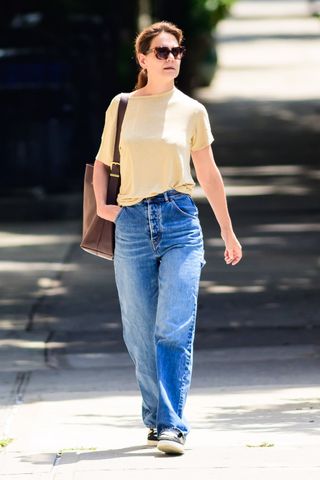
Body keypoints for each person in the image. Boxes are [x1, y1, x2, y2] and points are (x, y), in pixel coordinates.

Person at [93, 20, 242, 455]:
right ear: (143, 58)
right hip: (133, 224)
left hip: (179, 220)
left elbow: (208, 174)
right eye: (161, 51)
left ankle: (173, 425)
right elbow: (102, 162)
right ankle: (157, 418)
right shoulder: (121, 106)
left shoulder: (192, 110)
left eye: (176, 51)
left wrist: (228, 232)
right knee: (140, 333)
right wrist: (105, 207)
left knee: (173, 327)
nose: (171, 58)